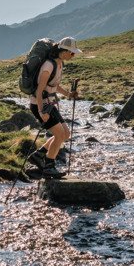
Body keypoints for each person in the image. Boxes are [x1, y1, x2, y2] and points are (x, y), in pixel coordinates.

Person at [28, 36, 80, 176]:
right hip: (40, 105)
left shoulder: (59, 63)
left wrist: (68, 94)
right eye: (72, 52)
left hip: (49, 104)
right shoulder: (48, 66)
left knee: (66, 134)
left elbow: (54, 85)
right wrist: (41, 111)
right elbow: (39, 90)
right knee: (59, 135)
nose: (73, 55)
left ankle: (39, 155)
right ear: (64, 51)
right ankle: (49, 166)